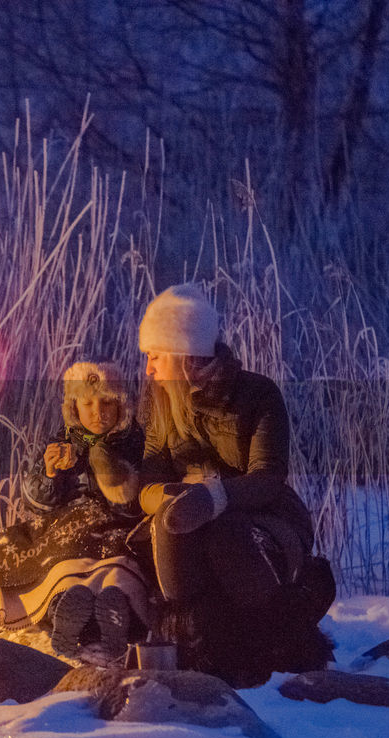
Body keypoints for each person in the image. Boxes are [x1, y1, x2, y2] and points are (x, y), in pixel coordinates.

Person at [136, 284, 334, 687]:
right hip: (186, 514)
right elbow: (150, 477)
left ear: (182, 351)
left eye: (155, 356)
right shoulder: (159, 398)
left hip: (264, 516)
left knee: (225, 533)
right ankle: (193, 646)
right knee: (171, 530)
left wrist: (212, 497)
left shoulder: (258, 395)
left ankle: (272, 643)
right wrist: (169, 498)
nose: (148, 369)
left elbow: (268, 478)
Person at [11, 362, 153, 664]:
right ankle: (65, 609)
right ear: (74, 407)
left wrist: (114, 474)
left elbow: (142, 498)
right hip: (70, 525)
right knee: (64, 560)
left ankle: (116, 609)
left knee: (119, 561)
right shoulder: (61, 442)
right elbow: (35, 503)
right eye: (87, 403)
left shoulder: (137, 443)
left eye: (106, 403)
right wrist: (49, 474)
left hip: (118, 525)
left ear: (121, 405)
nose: (97, 412)